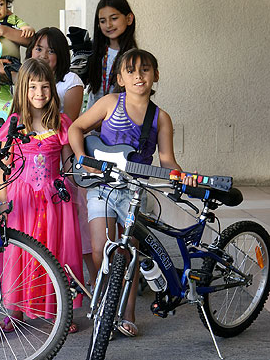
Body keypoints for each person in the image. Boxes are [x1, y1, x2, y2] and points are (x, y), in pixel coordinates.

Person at [69, 48, 196, 337]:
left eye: (145, 70)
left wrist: (182, 175)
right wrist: (81, 157)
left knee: (130, 252)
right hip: (101, 186)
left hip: (135, 192)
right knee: (100, 249)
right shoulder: (110, 102)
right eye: (131, 71)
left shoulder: (161, 118)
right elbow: (76, 128)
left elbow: (167, 160)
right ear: (120, 78)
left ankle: (128, 313)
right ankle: (104, 304)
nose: (138, 76)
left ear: (156, 75)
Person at [0, 58, 83, 334]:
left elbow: (68, 164)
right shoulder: (14, 123)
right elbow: (4, 165)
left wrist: (75, 192)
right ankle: (15, 308)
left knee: (56, 252)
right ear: (23, 89)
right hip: (21, 200)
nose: (39, 93)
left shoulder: (61, 123)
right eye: (32, 87)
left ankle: (59, 309)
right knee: (18, 252)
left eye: (45, 86)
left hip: (54, 200)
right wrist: (2, 201)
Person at [25, 27, 96, 288]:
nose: (44, 54)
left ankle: (93, 285)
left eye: (51, 50)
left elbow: (71, 128)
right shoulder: (26, 80)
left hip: (59, 166)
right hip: (31, 180)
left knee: (76, 232)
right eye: (38, 48)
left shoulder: (70, 82)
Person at [84, 0, 137, 111]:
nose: (108, 25)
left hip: (120, 118)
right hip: (92, 118)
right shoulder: (94, 52)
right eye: (102, 21)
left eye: (114, 18)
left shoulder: (134, 57)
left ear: (129, 19)